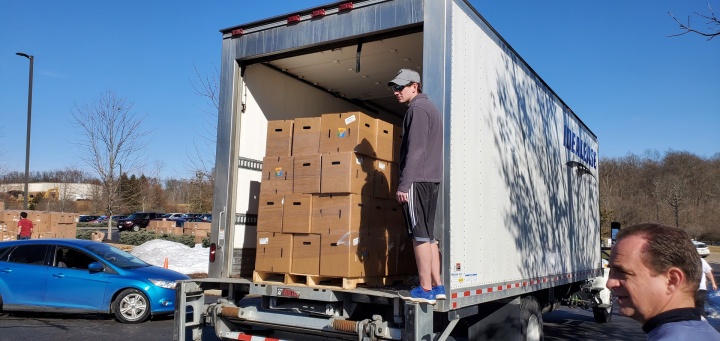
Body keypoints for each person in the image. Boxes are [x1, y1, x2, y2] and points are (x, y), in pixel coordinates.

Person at [606, 222, 720, 340]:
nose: (609, 283)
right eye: (611, 272)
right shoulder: (709, 334)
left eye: (623, 273)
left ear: (672, 280)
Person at [388, 69, 444, 304]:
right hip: (430, 180)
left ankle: (424, 288)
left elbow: (416, 150)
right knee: (429, 236)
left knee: (418, 234)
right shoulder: (430, 108)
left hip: (417, 180)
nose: (396, 92)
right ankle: (437, 286)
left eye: (401, 87)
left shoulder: (417, 110)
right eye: (394, 88)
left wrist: (404, 184)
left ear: (415, 86)